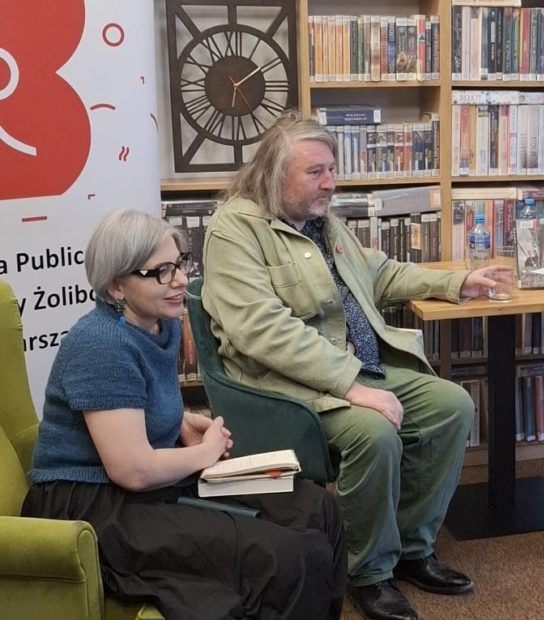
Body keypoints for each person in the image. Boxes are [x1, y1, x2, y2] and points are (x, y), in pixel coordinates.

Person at [200, 112, 509, 620]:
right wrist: (351, 386)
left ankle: (411, 548)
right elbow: (260, 330)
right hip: (284, 385)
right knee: (374, 432)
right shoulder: (234, 230)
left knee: (452, 406)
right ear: (274, 174)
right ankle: (367, 572)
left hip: (354, 367)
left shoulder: (320, 219)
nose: (330, 183)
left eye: (332, 170)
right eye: (315, 172)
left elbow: (377, 274)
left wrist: (455, 282)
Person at [21, 209, 346, 619]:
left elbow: (135, 406)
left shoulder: (162, 324)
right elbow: (132, 470)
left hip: (147, 482)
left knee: (317, 508)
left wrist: (178, 422)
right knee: (282, 555)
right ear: (116, 285)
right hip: (92, 502)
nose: (179, 280)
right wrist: (203, 453)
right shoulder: (100, 345)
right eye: (161, 272)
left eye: (179, 264)